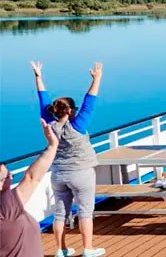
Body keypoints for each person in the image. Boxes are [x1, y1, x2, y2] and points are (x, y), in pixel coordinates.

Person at [30, 61, 105, 257]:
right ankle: (88, 249)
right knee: (85, 212)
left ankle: (61, 249)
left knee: (60, 213)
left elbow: (43, 100)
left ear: (55, 111)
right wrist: (97, 79)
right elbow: (90, 101)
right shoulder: (78, 125)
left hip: (58, 174)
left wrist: (38, 76)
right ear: (71, 111)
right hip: (81, 174)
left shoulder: (49, 125)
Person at [0, 119, 59, 257]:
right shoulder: (6, 208)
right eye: (8, 176)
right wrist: (53, 145)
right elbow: (32, 177)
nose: (11, 177)